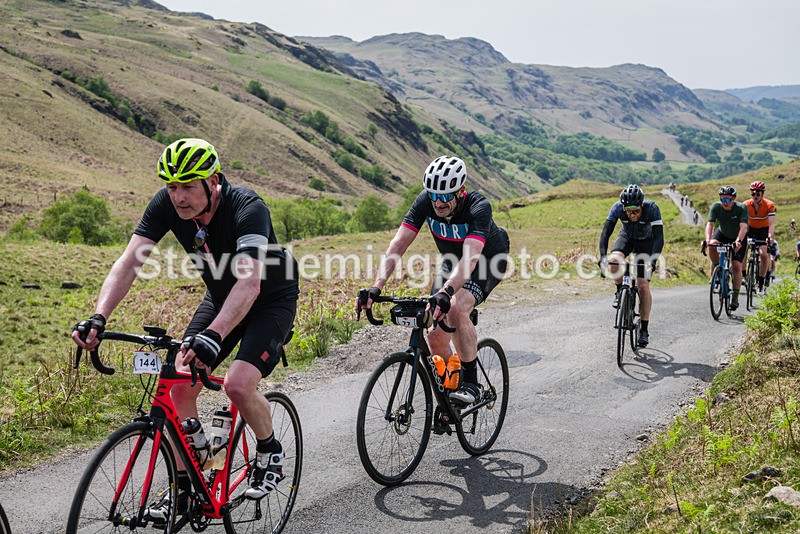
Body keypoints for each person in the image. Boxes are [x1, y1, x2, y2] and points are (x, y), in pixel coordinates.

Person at [71, 138, 299, 519]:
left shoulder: (248, 207)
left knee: (238, 384)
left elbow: (249, 283)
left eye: (188, 186)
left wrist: (213, 335)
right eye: (171, 186)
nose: (178, 197)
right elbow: (129, 262)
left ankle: (269, 448)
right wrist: (100, 315)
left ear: (212, 182)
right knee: (179, 380)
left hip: (269, 298)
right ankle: (186, 488)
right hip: (222, 295)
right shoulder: (166, 204)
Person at [357, 156, 510, 406]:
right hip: (453, 262)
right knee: (435, 335)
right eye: (433, 195)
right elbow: (398, 243)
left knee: (457, 306)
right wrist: (377, 286)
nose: (437, 202)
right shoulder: (425, 202)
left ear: (460, 192)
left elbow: (471, 260)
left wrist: (447, 291)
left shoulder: (478, 206)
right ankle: (453, 391)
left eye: (444, 196)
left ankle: (472, 383)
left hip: (487, 260)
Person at [598, 184, 664, 348]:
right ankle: (620, 290)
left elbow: (659, 238)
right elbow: (606, 233)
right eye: (629, 210)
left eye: (636, 210)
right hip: (627, 237)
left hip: (646, 243)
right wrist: (602, 256)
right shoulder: (617, 208)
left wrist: (653, 261)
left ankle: (644, 329)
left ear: (642, 205)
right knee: (614, 260)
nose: (632, 214)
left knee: (642, 285)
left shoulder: (652, 209)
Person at [703, 185, 748, 311]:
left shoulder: (741, 208)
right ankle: (719, 271)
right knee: (712, 245)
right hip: (723, 233)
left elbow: (744, 227)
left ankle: (735, 298)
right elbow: (710, 224)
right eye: (722, 199)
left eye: (728, 200)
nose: (725, 203)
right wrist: (707, 240)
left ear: (733, 199)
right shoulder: (716, 207)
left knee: (736, 266)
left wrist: (738, 240)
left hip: (739, 236)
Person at [743, 180, 776, 296]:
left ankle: (761, 281)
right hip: (750, 229)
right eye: (753, 193)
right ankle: (743, 275)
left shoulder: (769, 205)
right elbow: (742, 223)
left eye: (758, 194)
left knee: (763, 254)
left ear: (762, 194)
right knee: (743, 247)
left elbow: (771, 224)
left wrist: (770, 237)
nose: (755, 196)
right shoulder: (746, 205)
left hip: (764, 230)